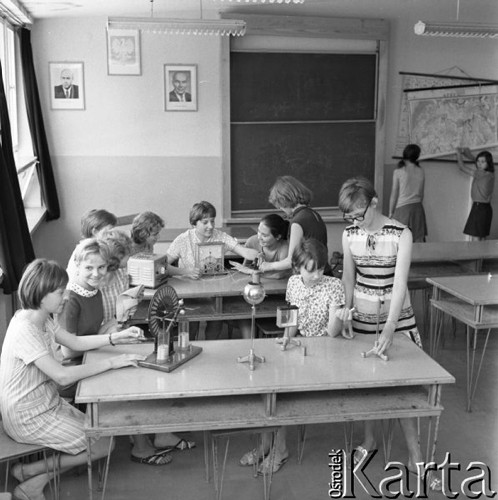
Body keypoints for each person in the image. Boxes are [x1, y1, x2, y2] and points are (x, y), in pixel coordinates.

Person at [0, 259, 145, 500]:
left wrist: (117, 337)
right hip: (27, 416)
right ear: (41, 293)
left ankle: (31, 476)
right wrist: (111, 362)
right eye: (59, 292)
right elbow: (62, 374)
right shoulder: (25, 329)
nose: (65, 297)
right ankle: (31, 475)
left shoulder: (41, 318)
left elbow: (75, 342)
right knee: (102, 444)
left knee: (102, 436)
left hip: (44, 405)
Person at [338, 176, 441, 492]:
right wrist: (346, 311)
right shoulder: (350, 234)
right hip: (364, 320)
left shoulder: (401, 234)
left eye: (360, 214)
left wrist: (392, 327)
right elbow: (348, 276)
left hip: (397, 320)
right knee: (369, 385)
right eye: (350, 216)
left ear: (374, 202)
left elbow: (399, 284)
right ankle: (369, 441)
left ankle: (416, 457)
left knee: (403, 389)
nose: (356, 221)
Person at [239, 238, 346, 474]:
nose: (317, 274)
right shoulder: (294, 283)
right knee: (269, 386)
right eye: (310, 269)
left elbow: (331, 333)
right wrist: (287, 337)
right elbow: (293, 321)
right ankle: (266, 444)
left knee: (283, 393)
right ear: (297, 267)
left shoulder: (334, 285)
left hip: (325, 352)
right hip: (299, 349)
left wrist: (341, 316)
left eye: (320, 268)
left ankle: (279, 449)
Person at [167, 201, 259, 340]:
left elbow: (243, 252)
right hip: (189, 293)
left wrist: (259, 254)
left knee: (215, 324)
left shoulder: (220, 236)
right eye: (205, 222)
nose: (210, 226)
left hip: (214, 292)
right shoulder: (183, 240)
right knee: (190, 329)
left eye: (212, 221)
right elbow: (162, 266)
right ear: (194, 224)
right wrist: (186, 271)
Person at [230, 214, 291, 339]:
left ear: (278, 236)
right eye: (258, 232)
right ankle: (249, 342)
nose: (259, 237)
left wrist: (254, 273)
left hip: (278, 294)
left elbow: (280, 275)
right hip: (255, 290)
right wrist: (251, 271)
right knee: (244, 309)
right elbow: (244, 268)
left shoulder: (284, 247)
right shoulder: (252, 241)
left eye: (265, 235)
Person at [260, 176, 330, 276]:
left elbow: (291, 261)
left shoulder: (297, 222)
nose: (280, 208)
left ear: (285, 199)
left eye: (279, 204)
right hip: (323, 273)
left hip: (312, 277)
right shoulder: (314, 214)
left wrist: (268, 266)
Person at [388, 144, 427, 242]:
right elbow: (421, 194)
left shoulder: (398, 172)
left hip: (402, 209)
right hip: (418, 209)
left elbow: (394, 194)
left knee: (400, 242)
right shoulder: (421, 171)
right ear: (417, 156)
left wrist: (391, 212)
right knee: (417, 243)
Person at [66, 208, 117, 282]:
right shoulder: (90, 249)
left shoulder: (89, 244)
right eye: (108, 232)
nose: (111, 236)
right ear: (95, 232)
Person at [456, 147, 495, 241]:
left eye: (483, 162)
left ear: (488, 163)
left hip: (479, 209)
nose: (479, 164)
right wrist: (468, 154)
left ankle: (476, 256)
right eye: (478, 161)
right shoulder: (490, 173)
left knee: (475, 239)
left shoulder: (480, 173)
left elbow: (462, 167)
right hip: (486, 209)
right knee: (482, 237)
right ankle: (481, 256)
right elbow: (477, 162)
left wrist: (458, 154)